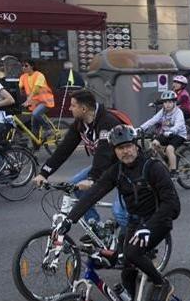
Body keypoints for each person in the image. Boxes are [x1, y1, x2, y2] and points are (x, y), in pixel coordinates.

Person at [54, 125, 181, 301]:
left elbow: (173, 205)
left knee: (132, 254)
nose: (125, 152)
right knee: (123, 270)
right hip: (133, 224)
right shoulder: (118, 171)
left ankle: (162, 284)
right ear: (114, 150)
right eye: (120, 148)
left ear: (136, 145)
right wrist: (69, 220)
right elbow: (93, 194)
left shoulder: (153, 167)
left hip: (157, 222)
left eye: (129, 146)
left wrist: (149, 227)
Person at [33, 88, 125, 224]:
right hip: (106, 167)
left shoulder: (107, 122)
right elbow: (63, 150)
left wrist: (92, 179)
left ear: (84, 109)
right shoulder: (80, 124)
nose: (70, 109)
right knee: (75, 185)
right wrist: (44, 173)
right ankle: (95, 225)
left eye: (73, 105)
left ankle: (130, 243)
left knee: (120, 213)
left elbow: (104, 155)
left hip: (125, 167)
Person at [139, 89, 187, 173]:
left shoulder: (178, 112)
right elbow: (153, 120)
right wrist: (141, 128)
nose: (167, 105)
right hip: (166, 134)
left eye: (169, 102)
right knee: (154, 144)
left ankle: (173, 171)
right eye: (165, 102)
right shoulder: (163, 111)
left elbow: (179, 125)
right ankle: (166, 158)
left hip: (179, 135)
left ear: (174, 103)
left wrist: (171, 131)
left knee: (169, 149)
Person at [18, 59, 55, 139]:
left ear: (32, 66)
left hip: (45, 102)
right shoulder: (23, 77)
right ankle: (35, 147)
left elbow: (36, 89)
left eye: (26, 66)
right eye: (22, 66)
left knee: (35, 114)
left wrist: (27, 100)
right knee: (34, 128)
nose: (23, 68)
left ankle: (48, 129)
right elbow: (19, 89)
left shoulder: (39, 75)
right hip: (34, 104)